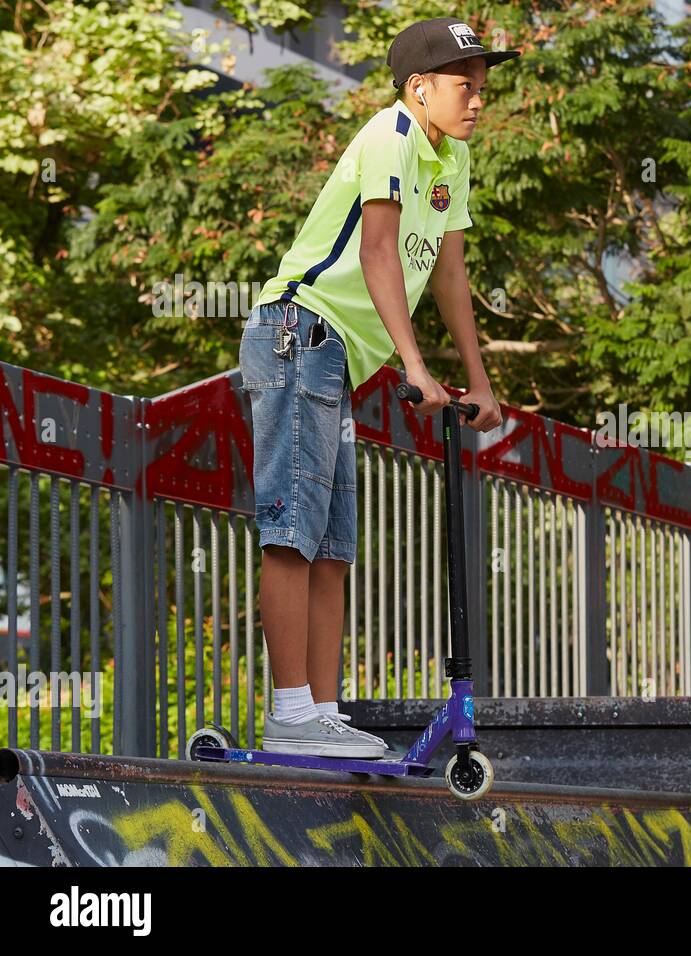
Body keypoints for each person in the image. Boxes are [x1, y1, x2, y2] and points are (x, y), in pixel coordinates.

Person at [238, 17, 519, 757]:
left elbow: (450, 274)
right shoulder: (390, 134)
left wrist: (480, 381)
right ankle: (290, 713)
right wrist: (415, 366)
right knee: (293, 531)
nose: (478, 101)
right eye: (467, 86)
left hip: (337, 360)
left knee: (332, 547)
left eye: (483, 88)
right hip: (301, 330)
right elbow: (378, 249)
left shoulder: (450, 158)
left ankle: (319, 715)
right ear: (419, 86)